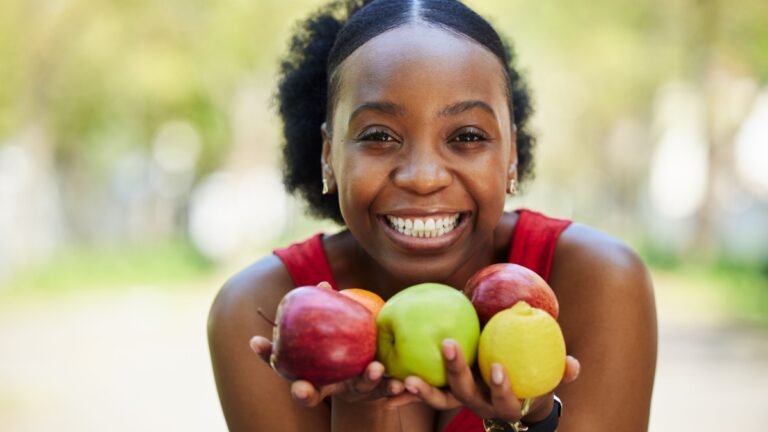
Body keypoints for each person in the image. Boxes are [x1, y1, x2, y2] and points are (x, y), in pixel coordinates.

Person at [207, 0, 657, 430]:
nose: (423, 178)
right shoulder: (258, 309)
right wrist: (362, 408)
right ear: (328, 157)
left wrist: (530, 418)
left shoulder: (596, 280)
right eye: (380, 135)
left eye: (465, 136)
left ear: (512, 156)